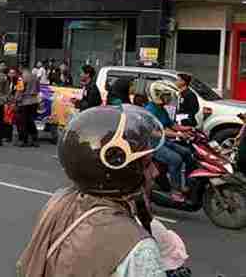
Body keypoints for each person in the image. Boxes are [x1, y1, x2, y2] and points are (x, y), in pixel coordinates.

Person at [18, 105, 168, 277]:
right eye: (147, 164)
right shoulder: (138, 247)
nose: (155, 172)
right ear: (120, 172)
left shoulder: (59, 200)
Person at [144, 81, 195, 202]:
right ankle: (175, 191)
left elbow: (171, 124)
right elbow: (154, 132)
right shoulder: (150, 110)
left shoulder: (161, 108)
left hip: (163, 141)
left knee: (188, 153)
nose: (169, 98)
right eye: (167, 95)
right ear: (158, 95)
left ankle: (188, 184)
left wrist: (187, 128)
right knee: (175, 159)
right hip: (153, 145)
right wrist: (178, 134)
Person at [16, 67, 40, 147]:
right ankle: (35, 139)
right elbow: (38, 89)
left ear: (21, 69)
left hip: (25, 101)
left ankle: (24, 140)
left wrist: (16, 99)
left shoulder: (21, 78)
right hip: (34, 101)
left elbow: (19, 90)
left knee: (23, 121)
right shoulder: (35, 77)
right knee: (31, 120)